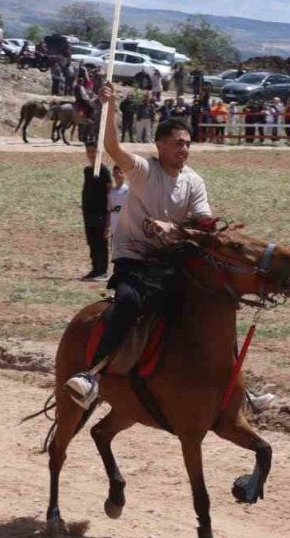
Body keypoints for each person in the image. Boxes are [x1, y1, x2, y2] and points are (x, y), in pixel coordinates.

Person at [64, 84, 213, 408]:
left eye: (187, 144)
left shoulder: (194, 181)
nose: (184, 150)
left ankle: (233, 386)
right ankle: (93, 373)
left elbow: (204, 225)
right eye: (177, 144)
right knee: (129, 302)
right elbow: (112, 146)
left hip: (171, 262)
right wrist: (111, 106)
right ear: (159, 145)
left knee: (210, 305)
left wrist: (175, 228)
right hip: (134, 258)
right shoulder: (144, 170)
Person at [81, 143, 114, 281]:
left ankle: (102, 271)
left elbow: (109, 190)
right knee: (92, 241)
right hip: (88, 212)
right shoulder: (88, 171)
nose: (91, 154)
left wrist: (109, 211)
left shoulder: (104, 170)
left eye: (94, 151)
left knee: (101, 241)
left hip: (100, 212)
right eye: (89, 151)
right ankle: (95, 269)